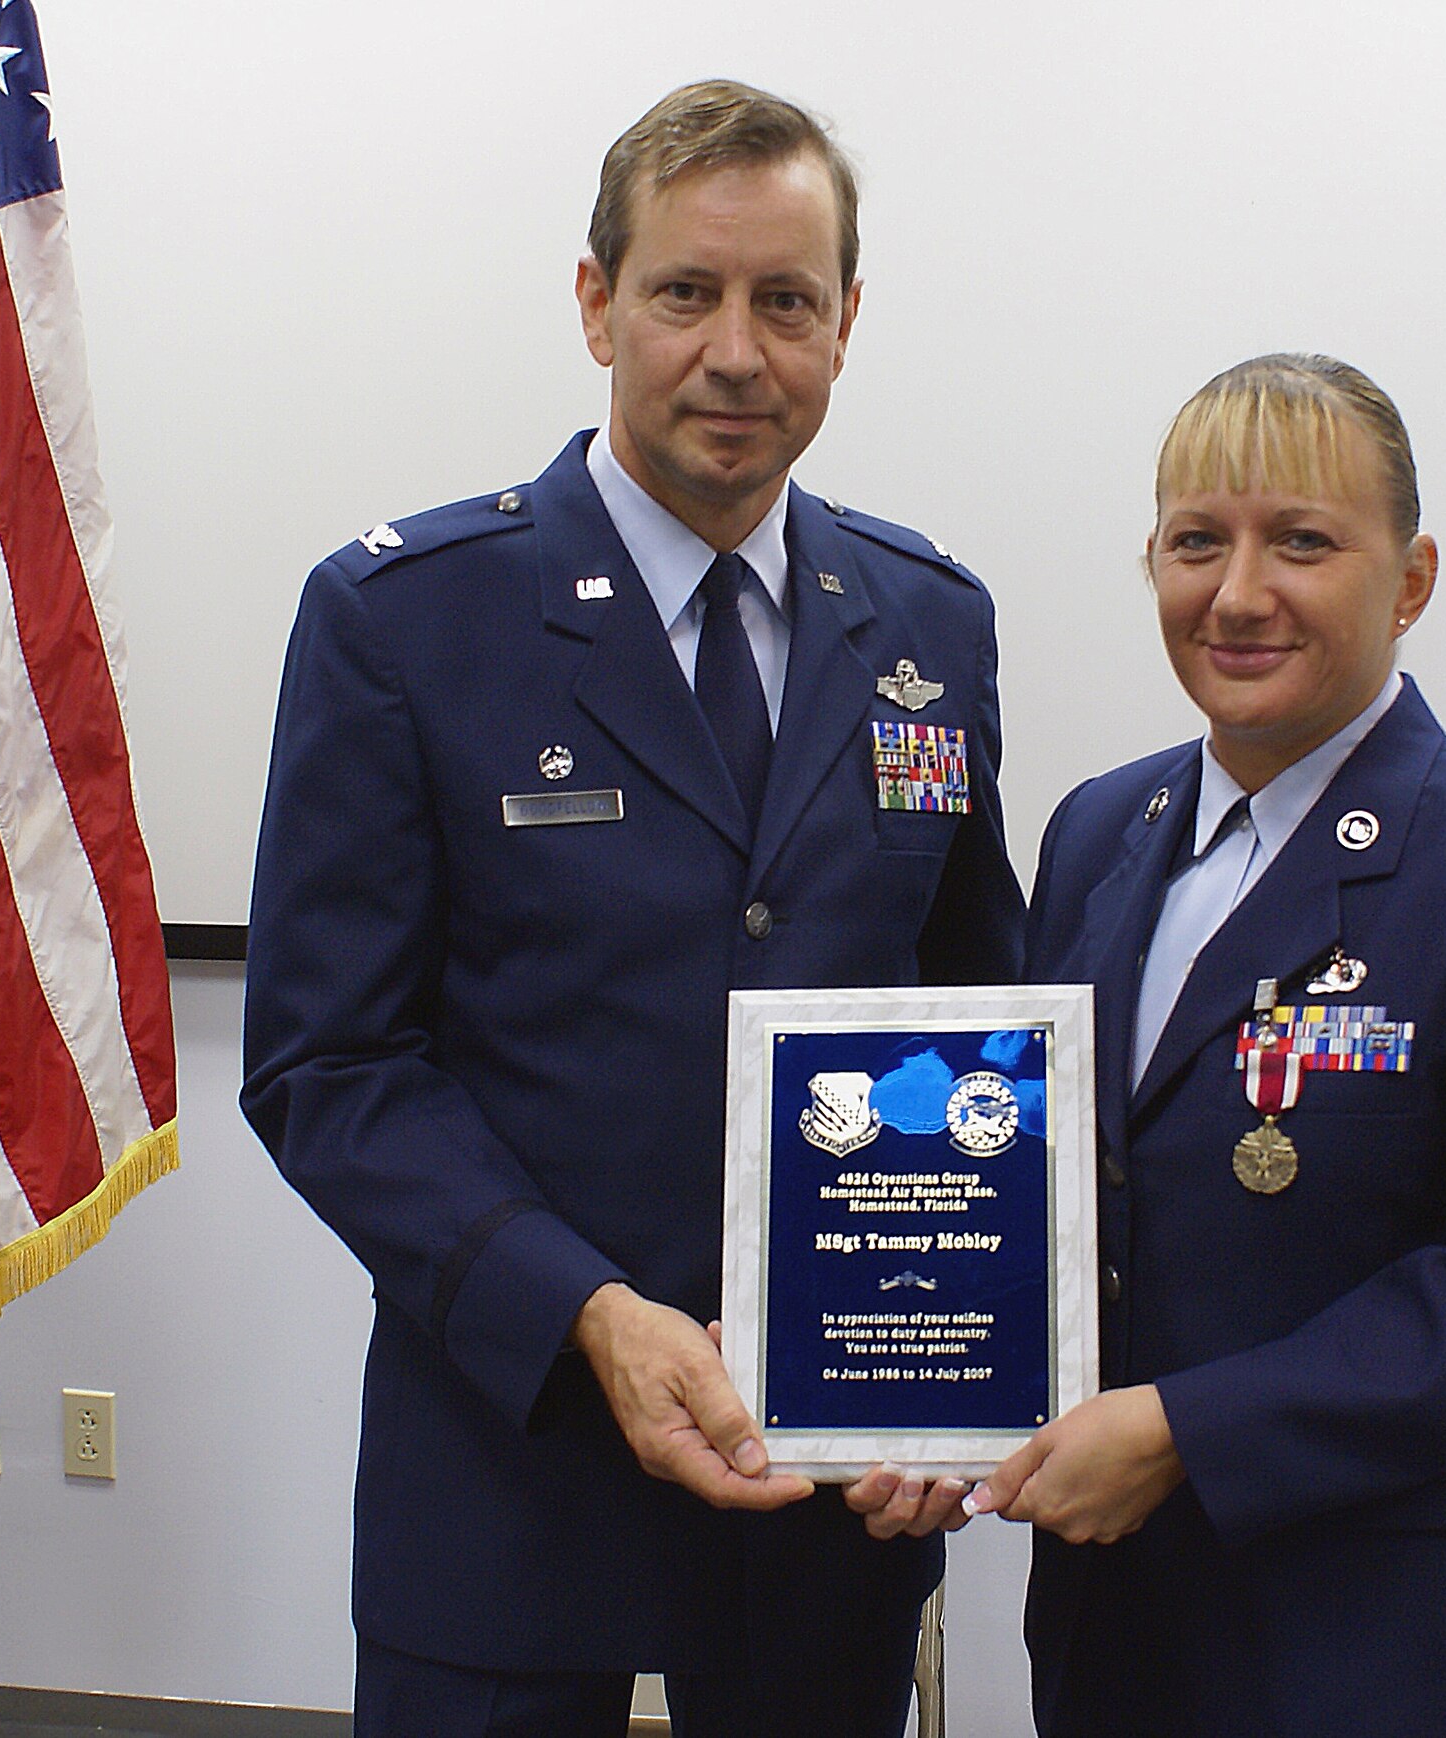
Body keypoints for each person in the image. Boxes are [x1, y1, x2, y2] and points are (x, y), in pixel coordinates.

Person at [240, 80, 1023, 1737]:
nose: (736, 352)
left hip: (828, 1508)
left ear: (845, 324)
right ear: (597, 302)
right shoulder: (407, 620)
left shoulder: (930, 625)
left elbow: (972, 1020)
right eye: (687, 291)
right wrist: (588, 1313)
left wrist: (966, 1369)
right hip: (510, 1479)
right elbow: (330, 1067)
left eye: (786, 301)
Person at [967, 354, 1446, 1735]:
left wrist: (1186, 1430)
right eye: (1194, 541)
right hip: (1117, 1638)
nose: (1236, 594)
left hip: (1384, 1647)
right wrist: (918, 1407)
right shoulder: (1095, 834)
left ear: (1408, 580)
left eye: (1302, 540)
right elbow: (1045, 1203)